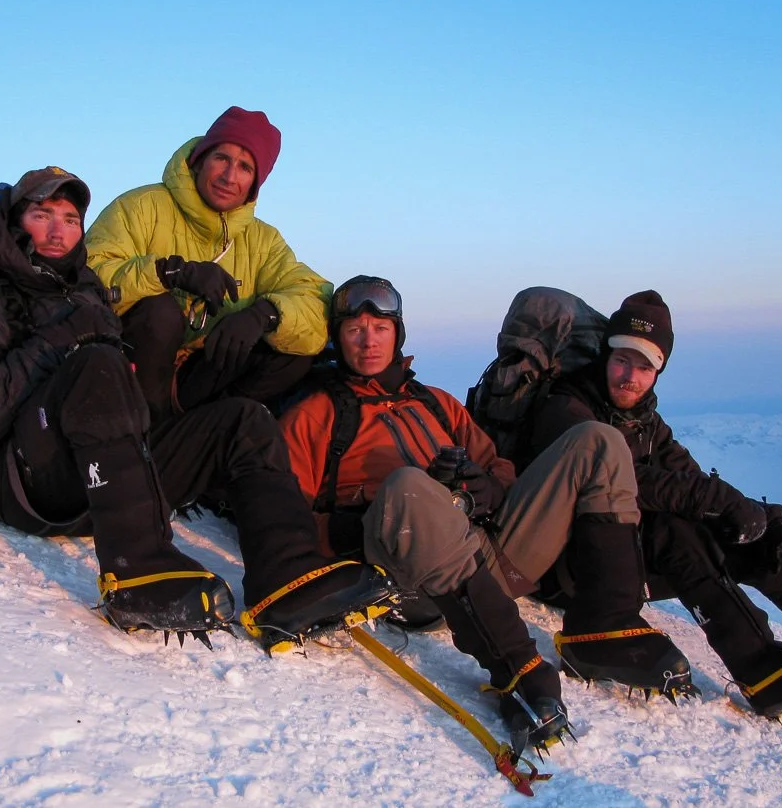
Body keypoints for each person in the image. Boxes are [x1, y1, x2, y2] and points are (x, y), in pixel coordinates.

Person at [0, 167, 396, 647]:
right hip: (28, 485)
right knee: (97, 363)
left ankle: (288, 579)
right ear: (14, 221)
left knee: (242, 420)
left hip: (104, 484)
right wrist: (66, 338)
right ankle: (140, 573)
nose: (57, 230)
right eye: (41, 214)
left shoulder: (86, 290)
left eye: (70, 219)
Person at [280, 276, 699, 755]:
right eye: (355, 328)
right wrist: (359, 523)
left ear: (398, 333)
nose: (368, 339)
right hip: (410, 580)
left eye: (380, 326)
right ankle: (516, 667)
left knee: (598, 441)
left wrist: (486, 488)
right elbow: (287, 515)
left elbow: (498, 467)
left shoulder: (436, 403)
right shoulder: (316, 414)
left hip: (490, 554)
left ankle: (604, 628)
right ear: (338, 335)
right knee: (409, 485)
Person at [528, 291, 782, 718]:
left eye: (645, 366)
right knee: (676, 530)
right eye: (622, 360)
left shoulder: (647, 423)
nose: (630, 376)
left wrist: (748, 515)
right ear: (604, 356)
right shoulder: (567, 408)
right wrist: (714, 498)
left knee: (758, 534)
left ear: (658, 371)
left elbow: (693, 483)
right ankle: (760, 667)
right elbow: (621, 479)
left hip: (624, 564)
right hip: (568, 570)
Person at [85, 107, 329, 426]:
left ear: (256, 182)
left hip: (196, 380)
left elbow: (315, 302)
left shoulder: (263, 240)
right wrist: (170, 273)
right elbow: (90, 280)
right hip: (131, 376)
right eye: (222, 158)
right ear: (200, 159)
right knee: (159, 313)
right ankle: (149, 429)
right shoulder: (139, 207)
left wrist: (264, 314)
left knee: (293, 349)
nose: (229, 177)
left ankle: (210, 423)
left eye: (245, 167)